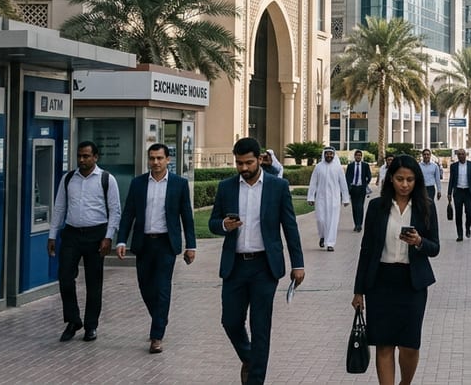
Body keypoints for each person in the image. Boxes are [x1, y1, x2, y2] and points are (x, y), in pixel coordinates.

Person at [209, 137, 305, 385]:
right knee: (230, 321)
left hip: (265, 266)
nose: (243, 168)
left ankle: (255, 379)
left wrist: (298, 264)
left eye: (248, 162)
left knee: (260, 326)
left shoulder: (277, 187)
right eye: (239, 163)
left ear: (260, 159)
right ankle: (250, 358)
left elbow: (290, 227)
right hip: (235, 266)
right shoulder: (226, 187)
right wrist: (223, 225)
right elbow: (213, 223)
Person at [353, 155, 440, 385]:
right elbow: (366, 250)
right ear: (390, 178)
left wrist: (419, 242)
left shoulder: (426, 207)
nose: (404, 184)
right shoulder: (376, 207)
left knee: (410, 346)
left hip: (412, 284)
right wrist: (358, 291)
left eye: (410, 180)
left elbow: (435, 247)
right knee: (384, 344)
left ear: (416, 181)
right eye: (400, 179)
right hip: (380, 283)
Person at [115, 143, 196, 354]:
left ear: (168, 159)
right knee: (145, 287)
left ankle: (157, 335)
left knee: (162, 288)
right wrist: (121, 240)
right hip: (143, 243)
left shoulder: (179, 184)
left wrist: (191, 245)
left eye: (160, 158)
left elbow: (187, 216)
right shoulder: (138, 183)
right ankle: (160, 317)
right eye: (152, 158)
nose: (156, 162)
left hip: (166, 244)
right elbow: (128, 213)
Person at [47, 140, 120, 343]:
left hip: (96, 234)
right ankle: (73, 320)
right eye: (79, 156)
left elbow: (115, 210)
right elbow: (59, 207)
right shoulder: (68, 178)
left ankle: (91, 325)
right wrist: (52, 235)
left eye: (86, 156)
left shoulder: (106, 179)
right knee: (65, 277)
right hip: (71, 233)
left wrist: (108, 237)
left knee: (93, 282)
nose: (82, 160)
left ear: (95, 157)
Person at [307, 146, 349, 251]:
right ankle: (322, 236)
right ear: (324, 154)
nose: (329, 155)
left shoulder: (338, 168)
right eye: (327, 153)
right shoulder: (318, 167)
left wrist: (345, 198)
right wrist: (311, 197)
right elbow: (313, 182)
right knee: (320, 220)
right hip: (320, 198)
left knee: (332, 221)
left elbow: (343, 184)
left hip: (334, 199)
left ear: (334, 155)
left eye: (331, 154)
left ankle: (330, 243)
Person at [446, 148, 471, 242]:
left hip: (468, 192)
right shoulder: (453, 166)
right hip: (458, 192)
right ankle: (460, 234)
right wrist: (449, 193)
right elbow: (451, 180)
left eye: (462, 154)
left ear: (466, 155)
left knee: (469, 212)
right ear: (457, 156)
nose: (461, 156)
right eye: (459, 154)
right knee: (458, 214)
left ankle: (468, 227)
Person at [346, 149, 372, 232]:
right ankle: (356, 224)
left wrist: (365, 183)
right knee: (354, 207)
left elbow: (369, 176)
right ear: (354, 156)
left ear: (361, 157)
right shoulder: (350, 166)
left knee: (360, 207)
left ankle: (359, 224)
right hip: (353, 188)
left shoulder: (365, 165)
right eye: (357, 155)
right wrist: (349, 186)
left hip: (361, 188)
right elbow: (347, 177)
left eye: (360, 155)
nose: (358, 157)